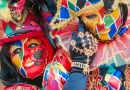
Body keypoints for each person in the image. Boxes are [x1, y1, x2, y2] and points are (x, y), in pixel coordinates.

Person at [49, 0, 130, 89]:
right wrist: (78, 68)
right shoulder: (70, 51)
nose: (101, 22)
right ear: (81, 19)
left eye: (108, 11)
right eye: (91, 16)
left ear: (122, 7)